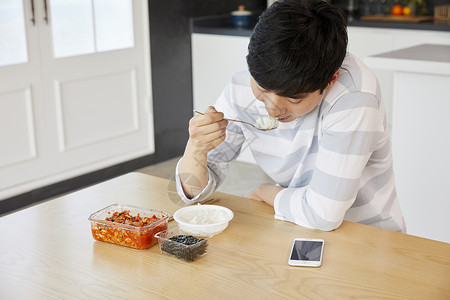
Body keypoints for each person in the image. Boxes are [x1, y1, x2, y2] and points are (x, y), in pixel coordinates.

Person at [175, 0, 406, 232]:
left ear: (331, 79)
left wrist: (267, 192)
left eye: (294, 99)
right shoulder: (244, 85)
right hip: (294, 224)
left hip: (368, 235)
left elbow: (323, 214)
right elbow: (194, 195)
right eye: (263, 90)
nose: (273, 110)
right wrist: (195, 148)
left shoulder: (354, 97)